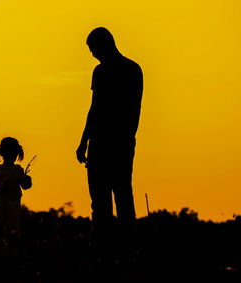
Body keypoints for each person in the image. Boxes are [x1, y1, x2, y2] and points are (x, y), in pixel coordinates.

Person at [76, 27, 143, 250]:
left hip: (118, 143)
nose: (93, 55)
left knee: (121, 195)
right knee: (101, 200)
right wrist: (83, 141)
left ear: (104, 45)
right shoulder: (100, 71)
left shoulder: (131, 70)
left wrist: (125, 139)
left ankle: (126, 246)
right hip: (99, 143)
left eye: (94, 49)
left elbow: (134, 109)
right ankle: (102, 247)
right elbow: (94, 108)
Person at [0, 137, 32, 243]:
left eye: (13, 154)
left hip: (14, 206)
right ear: (2, 153)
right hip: (0, 205)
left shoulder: (18, 170)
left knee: (13, 228)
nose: (11, 156)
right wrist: (3, 186)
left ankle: (11, 247)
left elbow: (25, 185)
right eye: (8, 153)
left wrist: (27, 180)